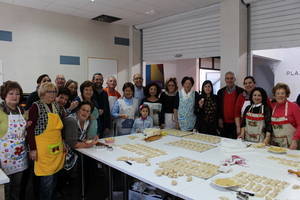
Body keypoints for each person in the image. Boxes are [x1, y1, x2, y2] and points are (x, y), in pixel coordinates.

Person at [26, 82, 65, 200]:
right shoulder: (35, 106)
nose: (52, 94)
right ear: (42, 93)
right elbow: (30, 130)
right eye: (49, 92)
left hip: (56, 145)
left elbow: (61, 127)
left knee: (54, 176)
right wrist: (32, 149)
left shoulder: (57, 106)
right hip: (42, 148)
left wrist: (63, 142)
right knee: (46, 179)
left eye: (54, 92)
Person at [61, 101, 98, 200]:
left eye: (88, 111)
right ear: (78, 110)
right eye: (83, 110)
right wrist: (89, 144)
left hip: (77, 152)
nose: (85, 113)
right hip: (65, 154)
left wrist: (91, 139)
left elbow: (81, 138)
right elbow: (73, 144)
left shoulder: (87, 121)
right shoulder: (71, 120)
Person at [0, 81, 28, 200]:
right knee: (4, 189)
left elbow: (26, 132)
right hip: (3, 158)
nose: (14, 96)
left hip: (20, 157)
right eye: (11, 93)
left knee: (17, 187)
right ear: (4, 96)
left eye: (17, 94)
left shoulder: (23, 112)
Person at [271, 83, 300, 149]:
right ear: (274, 95)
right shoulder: (272, 107)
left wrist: (295, 140)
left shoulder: (294, 106)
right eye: (277, 93)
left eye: (282, 93)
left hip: (292, 144)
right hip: (276, 144)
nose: (280, 96)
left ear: (287, 95)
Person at [217, 71, 244, 139]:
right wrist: (219, 118)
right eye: (227, 78)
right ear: (225, 80)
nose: (229, 80)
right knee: (224, 142)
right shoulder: (220, 92)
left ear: (234, 79)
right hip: (224, 123)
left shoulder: (241, 91)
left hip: (236, 123)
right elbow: (219, 107)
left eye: (231, 78)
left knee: (236, 143)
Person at [92, 73, 111, 138]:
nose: (99, 81)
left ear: (103, 81)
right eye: (97, 79)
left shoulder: (105, 93)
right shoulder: (90, 92)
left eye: (100, 79)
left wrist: (107, 126)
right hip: (92, 123)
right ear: (93, 80)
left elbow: (107, 109)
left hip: (103, 124)